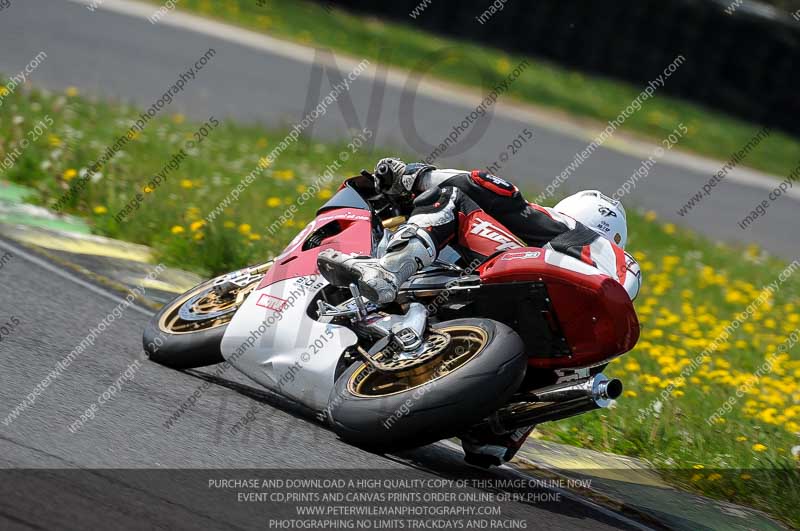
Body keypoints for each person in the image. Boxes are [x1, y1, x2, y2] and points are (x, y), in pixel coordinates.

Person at [316, 158, 642, 466]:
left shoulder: (555, 225)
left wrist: (410, 177)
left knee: (455, 195)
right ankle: (501, 429)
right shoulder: (616, 277)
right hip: (572, 343)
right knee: (586, 362)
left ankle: (389, 270)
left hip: (532, 279)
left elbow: (484, 184)